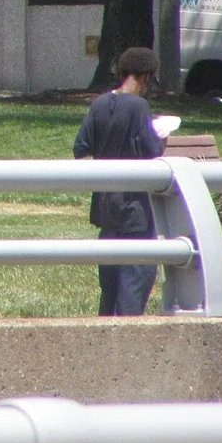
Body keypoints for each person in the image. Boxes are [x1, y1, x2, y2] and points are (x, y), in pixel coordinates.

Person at [74, 46, 166, 315]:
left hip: (105, 210)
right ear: (146, 76)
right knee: (133, 293)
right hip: (134, 210)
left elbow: (80, 146)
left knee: (109, 295)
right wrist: (161, 137)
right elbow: (153, 150)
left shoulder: (99, 103)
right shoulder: (139, 106)